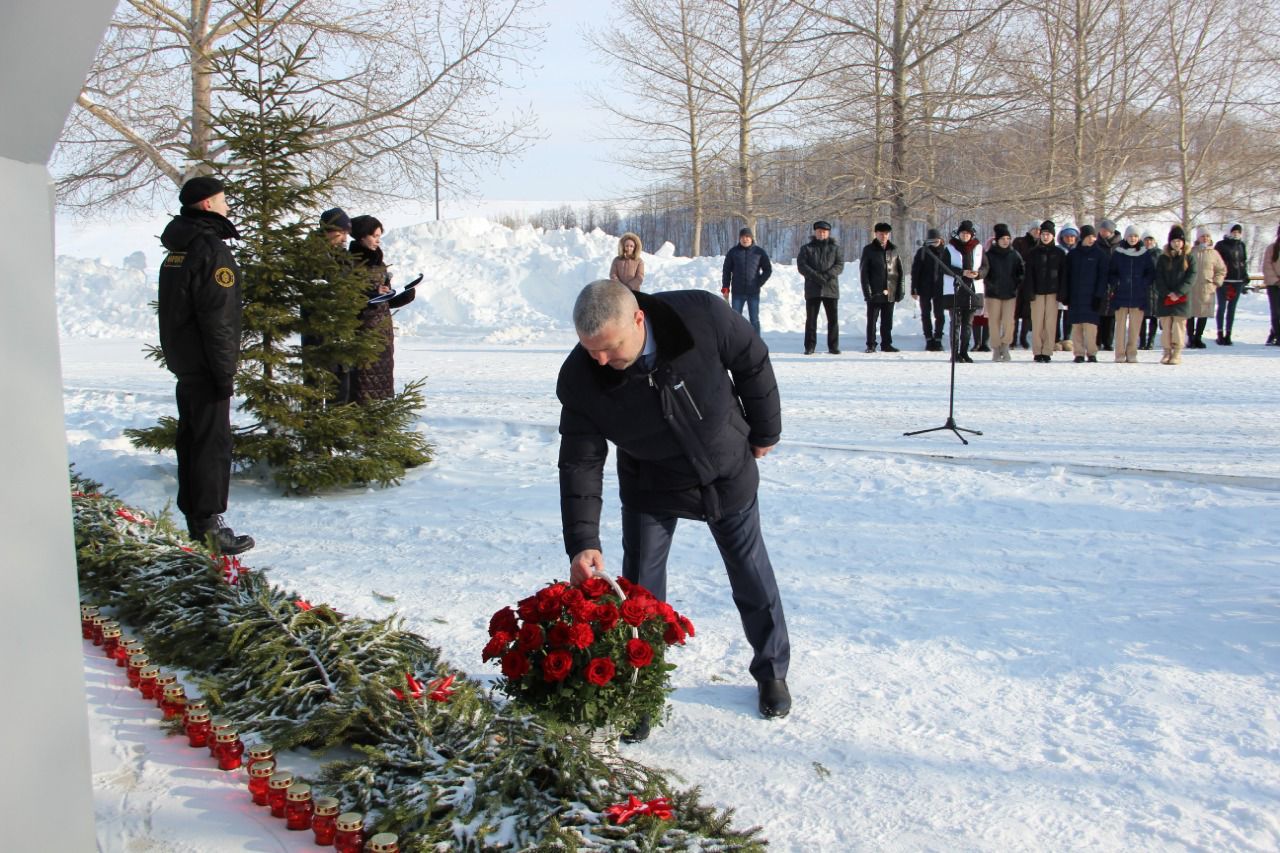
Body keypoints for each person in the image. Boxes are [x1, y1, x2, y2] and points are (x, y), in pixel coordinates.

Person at [556, 280, 790, 734]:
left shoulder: (700, 315)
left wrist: (764, 431)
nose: (601, 360)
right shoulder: (581, 379)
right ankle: (641, 689)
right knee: (640, 594)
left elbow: (752, 360)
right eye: (591, 351)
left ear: (638, 319)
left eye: (609, 347)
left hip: (725, 467)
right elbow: (579, 462)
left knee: (750, 572)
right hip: (651, 482)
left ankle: (772, 671)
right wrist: (583, 541)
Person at [158, 176, 254, 555]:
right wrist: (223, 370)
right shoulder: (211, 250)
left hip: (186, 362)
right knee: (212, 443)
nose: (228, 205)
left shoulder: (178, 249)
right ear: (208, 204)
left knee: (192, 438)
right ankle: (211, 524)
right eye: (223, 198)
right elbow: (218, 318)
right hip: (206, 364)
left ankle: (195, 521)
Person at [348, 215, 417, 402]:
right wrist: (371, 293)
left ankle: (379, 426)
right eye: (374, 235)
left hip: (383, 333)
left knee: (383, 384)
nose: (378, 240)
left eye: (380, 235)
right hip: (363, 332)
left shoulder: (380, 263)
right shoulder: (350, 263)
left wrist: (401, 296)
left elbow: (384, 298)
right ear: (362, 236)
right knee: (363, 384)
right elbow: (349, 296)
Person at [1107, 225, 1154, 363]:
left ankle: (1132, 353)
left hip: (1138, 295)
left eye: (1135, 236)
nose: (1132, 238)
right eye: (1130, 236)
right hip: (1121, 295)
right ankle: (1119, 354)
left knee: (1135, 328)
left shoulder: (1144, 254)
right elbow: (1111, 272)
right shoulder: (1118, 252)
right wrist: (1117, 282)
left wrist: (1143, 283)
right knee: (1120, 327)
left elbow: (1150, 273)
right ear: (1126, 237)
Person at [1062, 225, 1109, 362]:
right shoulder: (1073, 254)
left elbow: (1103, 277)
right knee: (1077, 327)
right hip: (1075, 296)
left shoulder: (1100, 254)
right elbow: (1067, 275)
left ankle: (1092, 352)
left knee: (1091, 328)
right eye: (1089, 237)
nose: (1092, 239)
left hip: (1092, 297)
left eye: (1093, 236)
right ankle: (1079, 353)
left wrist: (1099, 295)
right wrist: (1066, 295)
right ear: (1082, 237)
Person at [797, 220, 844, 354]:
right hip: (813, 288)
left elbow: (839, 265)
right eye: (819, 231)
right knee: (811, 320)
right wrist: (816, 276)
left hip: (831, 288)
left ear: (828, 233)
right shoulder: (807, 248)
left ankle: (833, 346)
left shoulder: (835, 248)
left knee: (833, 320)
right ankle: (810, 346)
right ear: (815, 233)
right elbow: (802, 266)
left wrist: (827, 275)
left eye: (824, 232)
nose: (821, 234)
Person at [941, 220, 985, 363]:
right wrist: (961, 272)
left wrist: (978, 274)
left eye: (967, 233)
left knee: (968, 324)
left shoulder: (978, 248)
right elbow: (943, 267)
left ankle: (964, 352)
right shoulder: (950, 248)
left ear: (971, 235)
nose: (965, 235)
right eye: (963, 233)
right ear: (958, 234)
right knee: (956, 323)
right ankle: (954, 353)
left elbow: (986, 267)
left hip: (973, 291)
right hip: (955, 290)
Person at [1154, 225, 1196, 365]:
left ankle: (1177, 352)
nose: (1176, 243)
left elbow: (1191, 277)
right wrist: (1167, 292)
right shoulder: (1163, 258)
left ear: (1183, 242)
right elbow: (1158, 277)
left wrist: (1178, 293)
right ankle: (1166, 352)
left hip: (1181, 298)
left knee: (1178, 327)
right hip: (1165, 297)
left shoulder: (1189, 258)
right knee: (1166, 326)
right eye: (1174, 241)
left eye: (1179, 241)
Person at [982, 223, 1024, 362]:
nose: (1005, 241)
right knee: (993, 323)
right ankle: (995, 348)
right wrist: (990, 284)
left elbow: (1021, 271)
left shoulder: (1014, 254)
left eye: (1008, 238)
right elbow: (985, 272)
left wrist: (1016, 283)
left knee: (1008, 322)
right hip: (993, 294)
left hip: (1010, 294)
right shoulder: (989, 255)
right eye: (1003, 238)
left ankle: (1005, 345)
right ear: (997, 240)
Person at [860, 222, 904, 352]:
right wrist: (867, 292)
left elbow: (900, 271)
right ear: (876, 234)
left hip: (890, 290)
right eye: (881, 233)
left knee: (887, 321)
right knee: (872, 320)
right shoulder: (868, 250)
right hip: (875, 291)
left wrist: (900, 290)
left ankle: (886, 343)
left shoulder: (894, 249)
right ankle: (871, 344)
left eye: (886, 233)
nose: (884, 236)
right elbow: (864, 273)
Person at [1026, 220, 1066, 362]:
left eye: (1048, 234)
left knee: (1050, 323)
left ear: (1053, 236)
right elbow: (1028, 274)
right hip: (1037, 292)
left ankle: (1047, 351)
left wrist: (1062, 292)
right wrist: (1029, 291)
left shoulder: (1060, 253)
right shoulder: (1033, 253)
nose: (1045, 237)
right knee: (1037, 323)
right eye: (1043, 234)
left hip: (1053, 292)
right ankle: (1037, 351)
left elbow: (1063, 274)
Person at [721, 227, 772, 335]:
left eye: (747, 237)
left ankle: (757, 342)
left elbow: (768, 269)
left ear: (751, 238)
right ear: (739, 238)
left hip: (753, 292)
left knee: (754, 320)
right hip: (737, 293)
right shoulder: (733, 252)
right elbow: (726, 271)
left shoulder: (759, 252)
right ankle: (735, 341)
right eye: (743, 237)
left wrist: (759, 283)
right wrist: (725, 288)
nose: (745, 239)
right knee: (735, 319)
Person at [1188, 227, 1226, 349]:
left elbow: (1221, 270)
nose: (1205, 238)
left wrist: (1216, 283)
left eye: (1207, 236)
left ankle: (1198, 337)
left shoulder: (1214, 253)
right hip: (1192, 287)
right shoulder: (1191, 252)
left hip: (1206, 287)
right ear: (1198, 238)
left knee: (1203, 313)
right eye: (1202, 236)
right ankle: (1190, 338)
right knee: (1190, 313)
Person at [911, 227, 947, 351]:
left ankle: (938, 338)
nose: (935, 242)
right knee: (925, 314)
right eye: (932, 240)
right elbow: (915, 271)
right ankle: (928, 338)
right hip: (924, 287)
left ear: (941, 240)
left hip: (941, 288)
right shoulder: (922, 252)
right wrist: (914, 288)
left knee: (940, 315)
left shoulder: (945, 252)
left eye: (937, 240)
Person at [1215, 223, 1249, 345]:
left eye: (1238, 232)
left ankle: (1228, 334)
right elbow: (1217, 262)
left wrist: (1245, 275)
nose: (1236, 234)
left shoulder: (1241, 245)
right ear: (1229, 232)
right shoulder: (1221, 245)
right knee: (1222, 307)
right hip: (1225, 280)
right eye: (1234, 231)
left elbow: (1243, 261)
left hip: (1238, 280)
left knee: (1232, 309)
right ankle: (1220, 333)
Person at [1012, 221, 1040, 348]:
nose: (1037, 232)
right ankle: (1013, 338)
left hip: (1032, 282)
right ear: (1030, 230)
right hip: (1018, 281)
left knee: (1028, 313)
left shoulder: (1040, 244)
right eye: (1035, 229)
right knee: (1015, 312)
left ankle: (1023, 338)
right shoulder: (1019, 242)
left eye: (1039, 230)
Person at [1094, 219, 1120, 351]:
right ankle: (1096, 340)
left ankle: (1108, 341)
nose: (1103, 232)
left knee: (1111, 313)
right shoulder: (1096, 244)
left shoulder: (1119, 245)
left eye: (1106, 230)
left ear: (1111, 231)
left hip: (1115, 281)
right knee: (1098, 311)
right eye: (1102, 230)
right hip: (1099, 280)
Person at [1055, 224, 1080, 352]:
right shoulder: (1058, 250)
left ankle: (1067, 338)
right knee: (1056, 313)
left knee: (1069, 314)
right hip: (1059, 285)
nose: (1070, 239)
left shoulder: (1078, 251)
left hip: (1073, 286)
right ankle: (1056, 339)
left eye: (1072, 236)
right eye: (1067, 236)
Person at [1140, 233, 1161, 350]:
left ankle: (1151, 341)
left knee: (1154, 316)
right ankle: (1142, 341)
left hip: (1156, 288)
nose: (1148, 242)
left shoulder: (1159, 253)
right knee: (1141, 316)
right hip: (1143, 288)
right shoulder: (1139, 253)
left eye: (1150, 240)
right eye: (1146, 240)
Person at [1263, 224, 1280, 346]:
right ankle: (1277, 336)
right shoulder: (1272, 248)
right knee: (1276, 312)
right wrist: (1276, 280)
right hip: (1274, 285)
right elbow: (1267, 266)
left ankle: (1273, 334)